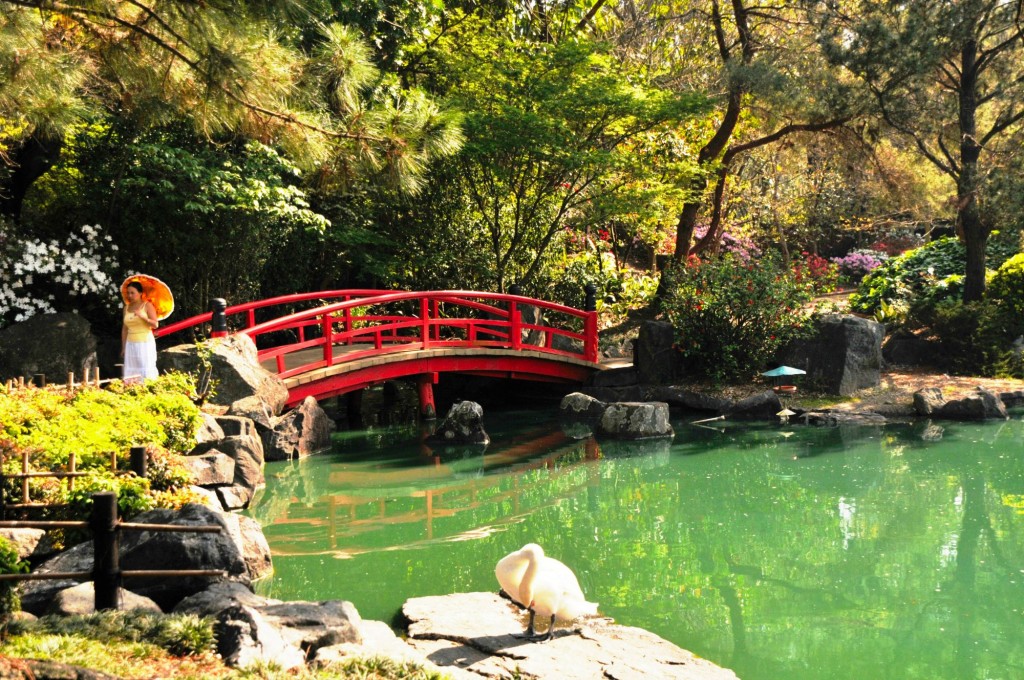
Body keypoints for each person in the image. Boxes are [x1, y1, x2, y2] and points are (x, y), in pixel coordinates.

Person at [121, 280, 159, 382]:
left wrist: (144, 317)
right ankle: (132, 391)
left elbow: (155, 324)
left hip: (145, 343)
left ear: (140, 293)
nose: (129, 295)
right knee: (132, 371)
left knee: (145, 368)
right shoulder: (126, 308)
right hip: (130, 343)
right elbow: (124, 329)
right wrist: (124, 347)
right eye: (128, 293)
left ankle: (148, 391)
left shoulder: (147, 305)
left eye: (132, 293)